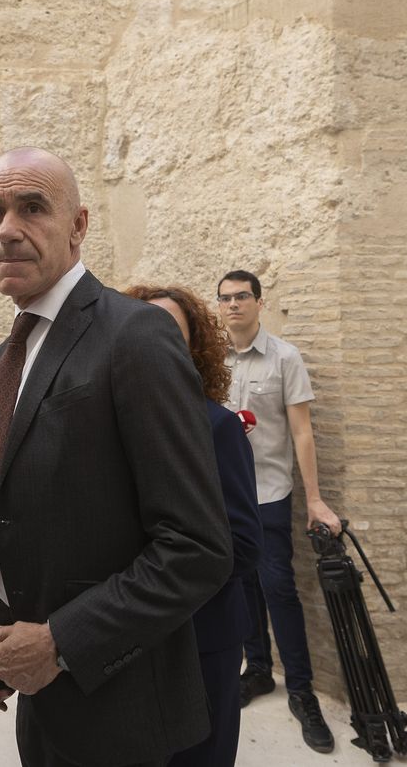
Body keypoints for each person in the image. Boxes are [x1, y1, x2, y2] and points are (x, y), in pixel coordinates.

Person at [0, 147, 231, 767]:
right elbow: (25, 513)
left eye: (32, 208)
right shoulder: (13, 353)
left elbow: (197, 548)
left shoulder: (134, 335)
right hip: (40, 695)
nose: (7, 230)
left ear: (79, 225)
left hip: (117, 704)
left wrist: (60, 642)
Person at [124, 285, 263, 767]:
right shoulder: (103, 429)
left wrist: (150, 583)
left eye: (167, 332)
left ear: (191, 349)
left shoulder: (217, 428)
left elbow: (244, 545)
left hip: (203, 639)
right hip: (125, 644)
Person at [216, 268, 339, 754]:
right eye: (224, 298)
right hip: (227, 496)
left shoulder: (285, 358)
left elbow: (302, 432)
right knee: (240, 586)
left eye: (242, 296)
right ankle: (259, 672)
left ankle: (302, 690)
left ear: (260, 302)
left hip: (268, 492)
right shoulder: (211, 360)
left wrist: (313, 498)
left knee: (278, 587)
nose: (233, 305)